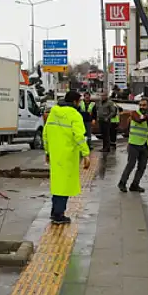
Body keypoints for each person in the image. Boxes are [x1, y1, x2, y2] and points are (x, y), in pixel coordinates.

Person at [43, 90, 91, 225]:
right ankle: (59, 214)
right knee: (64, 186)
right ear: (75, 101)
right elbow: (79, 136)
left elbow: (45, 134)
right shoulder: (75, 115)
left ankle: (55, 212)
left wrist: (47, 152)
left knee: (57, 184)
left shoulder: (53, 112)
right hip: (69, 155)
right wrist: (86, 153)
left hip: (55, 154)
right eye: (79, 101)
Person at [118, 98, 148, 193]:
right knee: (131, 165)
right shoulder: (134, 113)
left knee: (142, 166)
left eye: (144, 105)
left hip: (146, 144)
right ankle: (122, 183)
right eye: (140, 105)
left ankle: (135, 185)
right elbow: (140, 120)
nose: (142, 107)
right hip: (134, 143)